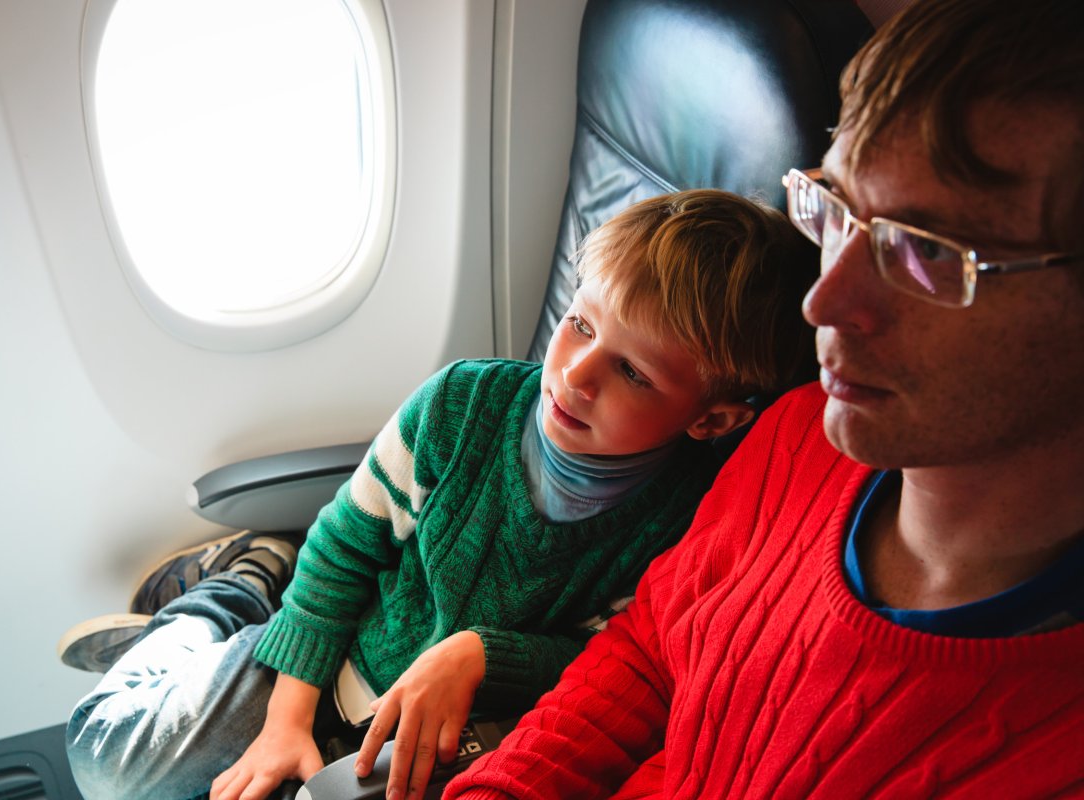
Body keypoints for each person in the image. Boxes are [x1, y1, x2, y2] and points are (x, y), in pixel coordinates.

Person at [444, 0, 1084, 797]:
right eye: (836, 214)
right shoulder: (795, 439)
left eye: (923, 254)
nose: (825, 302)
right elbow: (651, 650)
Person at [60, 189, 816, 800]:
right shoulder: (462, 408)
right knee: (106, 761)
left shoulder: (690, 521)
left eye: (633, 374)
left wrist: (483, 654)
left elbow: (612, 659)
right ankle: (234, 592)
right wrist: (285, 721)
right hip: (336, 642)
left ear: (711, 419)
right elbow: (340, 554)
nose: (577, 373)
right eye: (579, 324)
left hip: (449, 725)